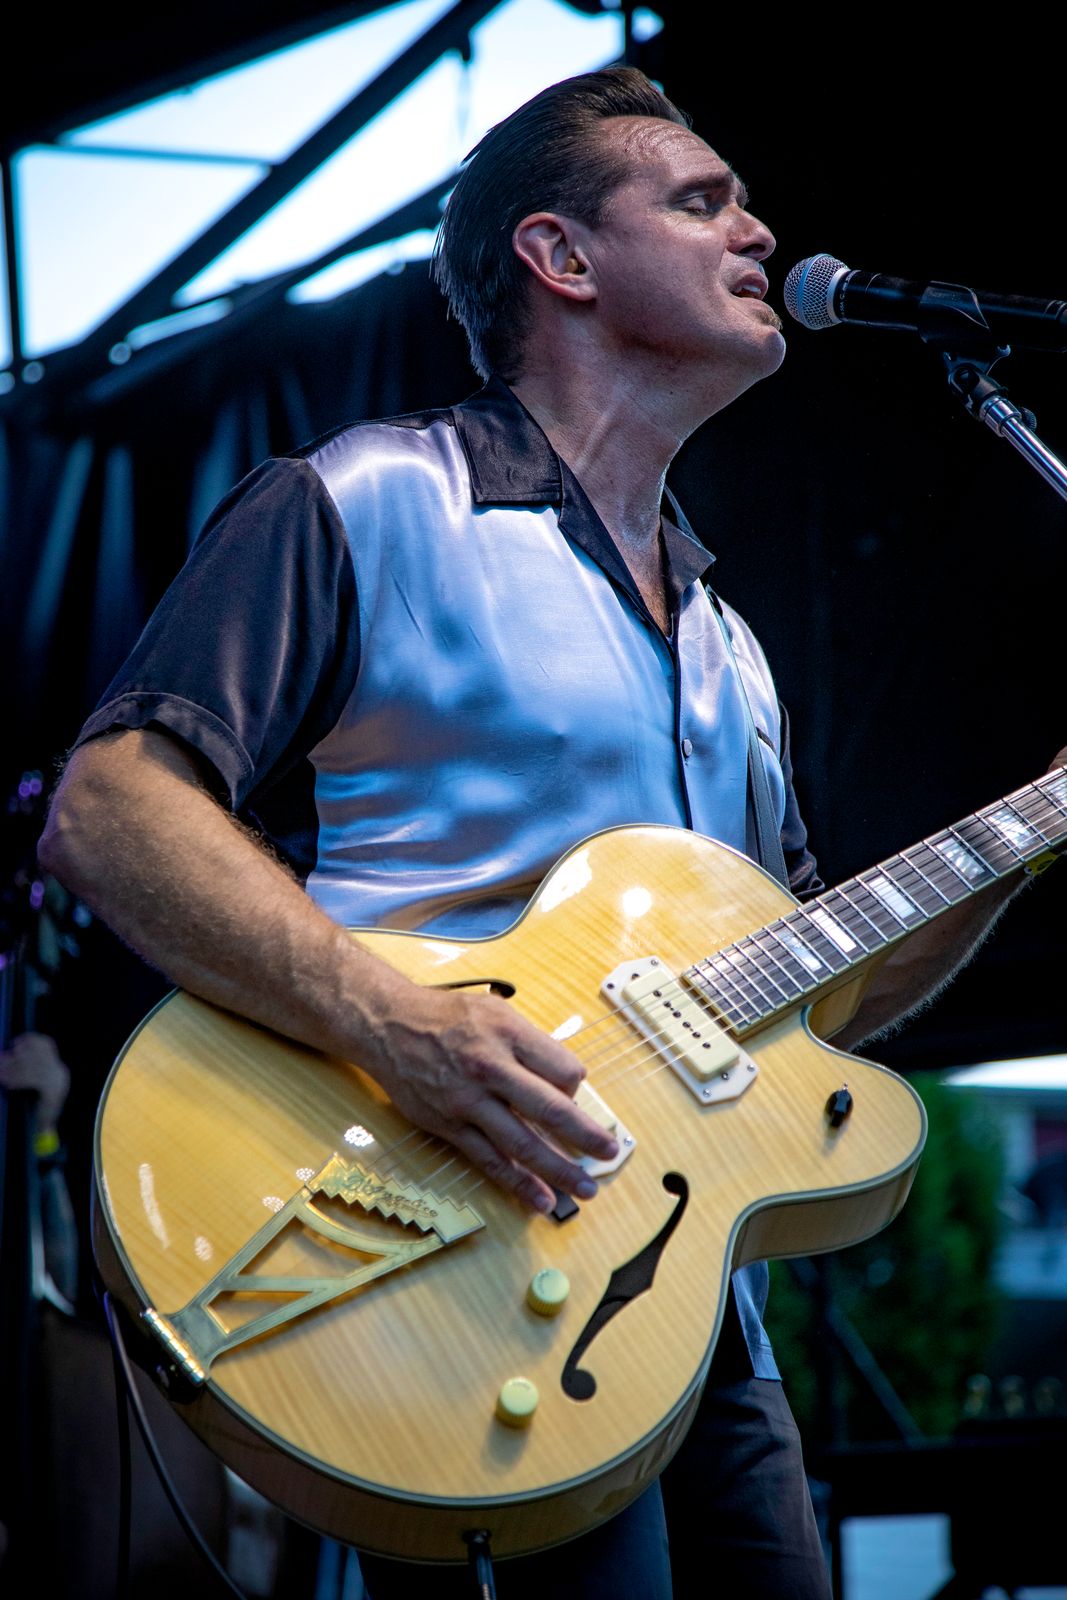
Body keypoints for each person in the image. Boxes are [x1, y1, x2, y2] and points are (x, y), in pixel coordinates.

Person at [40, 66, 1051, 1599]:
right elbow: (110, 808)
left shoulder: (731, 648)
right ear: (561, 256)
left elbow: (813, 1003)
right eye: (702, 202)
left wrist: (1034, 829)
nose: (759, 232)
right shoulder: (374, 498)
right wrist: (401, 1028)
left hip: (688, 1308)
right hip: (436, 1259)